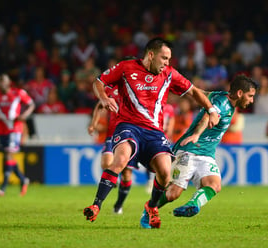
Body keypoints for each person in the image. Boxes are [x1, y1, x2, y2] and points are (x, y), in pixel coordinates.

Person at [82, 37, 220, 229]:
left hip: (154, 132)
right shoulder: (126, 67)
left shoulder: (170, 74)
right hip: (128, 125)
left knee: (165, 173)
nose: (167, 63)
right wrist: (104, 98)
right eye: (164, 58)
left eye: (169, 59)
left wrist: (212, 110)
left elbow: (194, 92)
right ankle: (96, 205)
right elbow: (99, 82)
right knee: (120, 160)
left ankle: (152, 207)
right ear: (151, 55)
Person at [152, 75, 256, 218]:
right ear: (239, 93)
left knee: (214, 184)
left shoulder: (220, 96)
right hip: (190, 149)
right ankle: (149, 209)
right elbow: (208, 116)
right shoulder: (223, 105)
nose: (252, 100)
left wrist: (186, 89)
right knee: (172, 194)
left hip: (206, 153)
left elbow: (203, 95)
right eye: (250, 96)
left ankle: (192, 205)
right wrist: (196, 134)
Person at [88, 85, 133, 215]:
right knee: (106, 163)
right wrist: (93, 124)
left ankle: (118, 205)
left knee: (126, 175)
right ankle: (112, 180)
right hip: (113, 135)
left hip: (130, 135)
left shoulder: (136, 89)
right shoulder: (110, 90)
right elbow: (99, 106)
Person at [0, 74, 35, 196]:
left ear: (9, 82)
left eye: (3, 81)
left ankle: (3, 187)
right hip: (2, 129)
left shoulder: (18, 93)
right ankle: (23, 179)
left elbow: (31, 104)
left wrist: (23, 116)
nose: (1, 84)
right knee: (8, 156)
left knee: (9, 155)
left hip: (15, 128)